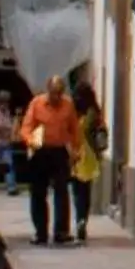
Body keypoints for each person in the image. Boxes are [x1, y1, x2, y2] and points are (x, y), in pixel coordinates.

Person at [20, 75, 83, 247]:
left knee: (61, 192)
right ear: (48, 90)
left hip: (59, 152)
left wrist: (76, 151)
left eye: (60, 93)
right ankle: (41, 232)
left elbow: (75, 129)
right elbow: (26, 127)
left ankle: (61, 232)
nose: (57, 97)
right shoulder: (37, 103)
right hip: (40, 151)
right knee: (38, 193)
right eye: (54, 93)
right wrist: (31, 141)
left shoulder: (68, 105)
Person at [69, 78, 106, 244]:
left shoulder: (72, 110)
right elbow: (101, 129)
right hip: (90, 156)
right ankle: (83, 219)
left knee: (77, 190)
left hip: (75, 154)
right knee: (86, 190)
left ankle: (79, 219)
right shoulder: (95, 111)